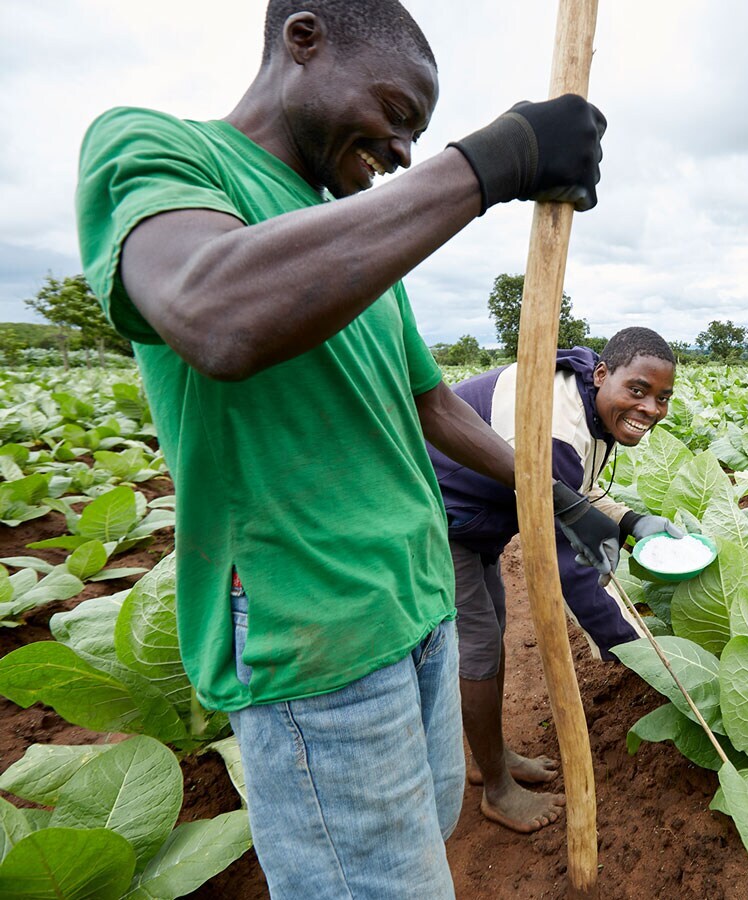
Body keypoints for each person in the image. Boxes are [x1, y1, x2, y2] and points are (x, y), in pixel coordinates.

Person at [74, 2, 620, 897]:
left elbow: (434, 407)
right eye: (398, 114)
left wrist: (555, 496)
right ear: (302, 39)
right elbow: (215, 313)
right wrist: (488, 165)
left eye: (422, 135)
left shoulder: (354, 234)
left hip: (416, 605)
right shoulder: (160, 150)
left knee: (424, 834)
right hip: (315, 630)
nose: (404, 151)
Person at [429, 326, 681, 833]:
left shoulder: (584, 399)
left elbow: (572, 493)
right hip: (439, 518)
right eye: (638, 390)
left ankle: (487, 756)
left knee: (493, 629)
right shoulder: (561, 426)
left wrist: (630, 521)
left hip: (477, 520)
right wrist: (649, 658)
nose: (650, 408)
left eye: (663, 397)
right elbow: (575, 572)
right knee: (477, 645)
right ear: (604, 374)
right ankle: (497, 790)